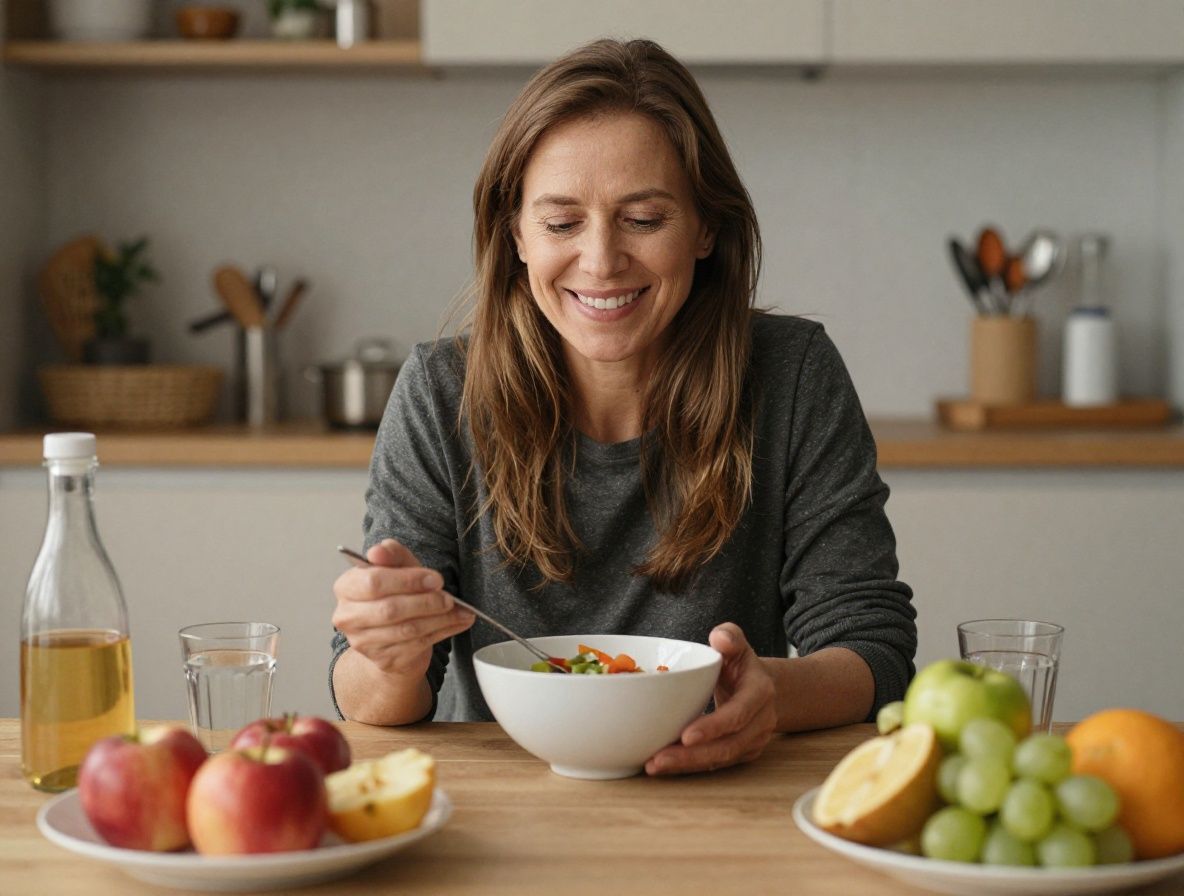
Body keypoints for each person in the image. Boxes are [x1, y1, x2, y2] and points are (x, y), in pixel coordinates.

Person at [330, 38, 916, 776]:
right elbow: (368, 702)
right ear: (514, 234)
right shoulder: (441, 392)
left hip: (724, 803)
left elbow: (874, 648)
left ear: (706, 227)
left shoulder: (793, 376)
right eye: (561, 222)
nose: (602, 261)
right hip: (502, 810)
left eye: (643, 219)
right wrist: (387, 652)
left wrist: (774, 695)